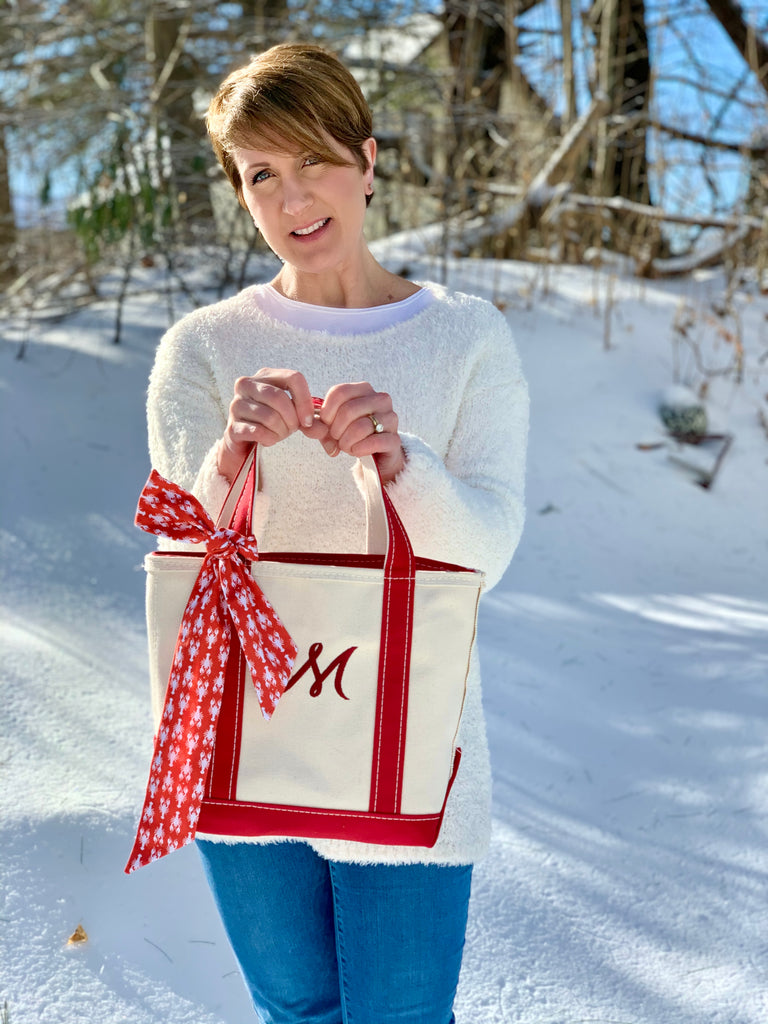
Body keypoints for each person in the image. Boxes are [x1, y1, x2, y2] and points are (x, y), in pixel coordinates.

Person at [145, 42, 528, 1024]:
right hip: (241, 733)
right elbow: (184, 557)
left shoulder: (467, 337)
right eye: (260, 174)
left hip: (408, 742)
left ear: (366, 160)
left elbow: (491, 551)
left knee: (399, 1015)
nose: (291, 194)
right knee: (299, 1009)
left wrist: (406, 467)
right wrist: (230, 464)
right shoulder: (203, 349)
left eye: (310, 158)